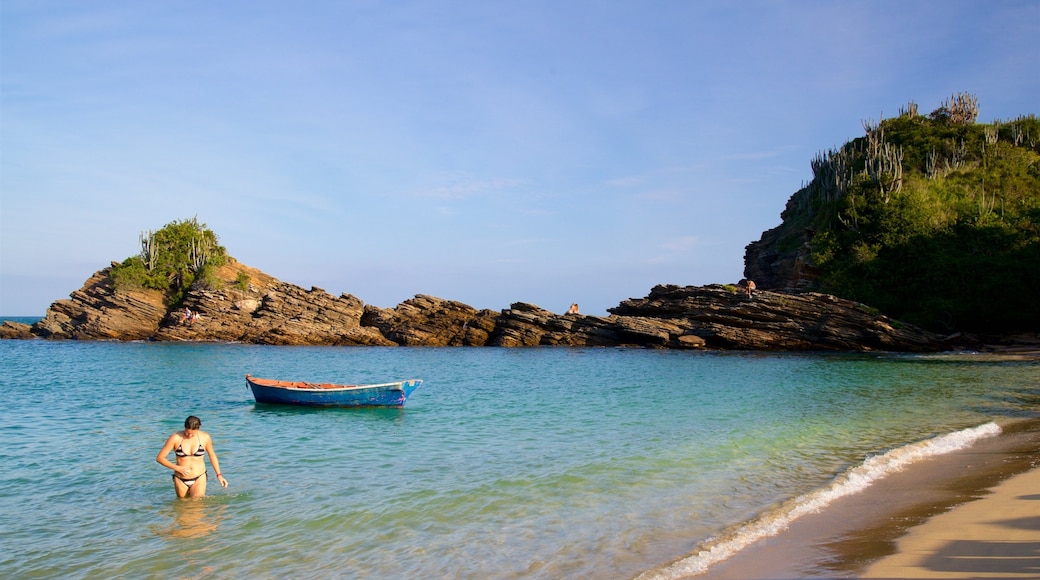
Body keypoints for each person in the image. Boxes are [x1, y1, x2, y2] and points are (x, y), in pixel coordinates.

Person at [156, 416, 228, 498]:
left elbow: (212, 455)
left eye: (193, 434)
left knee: (196, 504)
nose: (189, 436)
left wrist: (219, 475)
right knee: (183, 506)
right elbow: (160, 458)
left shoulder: (205, 437)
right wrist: (177, 468)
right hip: (180, 478)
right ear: (185, 427)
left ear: (198, 429)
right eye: (187, 433)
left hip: (199, 477)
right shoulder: (175, 438)